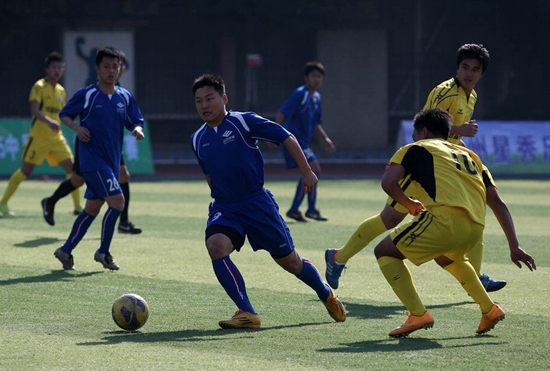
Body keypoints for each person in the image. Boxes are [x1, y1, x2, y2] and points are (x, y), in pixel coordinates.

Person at [325, 43, 506, 292]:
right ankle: (337, 258)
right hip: (426, 167)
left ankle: (476, 274)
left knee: (474, 209)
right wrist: (459, 130)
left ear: (481, 74)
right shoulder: (445, 92)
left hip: (446, 168)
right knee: (388, 219)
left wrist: (458, 141)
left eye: (475, 69)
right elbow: (426, 126)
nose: (469, 73)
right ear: (457, 67)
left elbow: (446, 135)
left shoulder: (471, 95)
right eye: (465, 67)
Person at [190, 74, 345, 329]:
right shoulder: (197, 138)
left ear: (224, 99)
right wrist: (219, 199)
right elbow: (208, 173)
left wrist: (306, 170)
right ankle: (247, 313)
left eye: (209, 99)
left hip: (257, 204)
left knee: (291, 262)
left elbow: (287, 137)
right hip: (225, 206)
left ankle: (326, 293)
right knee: (216, 246)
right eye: (198, 101)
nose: (204, 105)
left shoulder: (243, 121)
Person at [372, 108, 536, 337]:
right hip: (475, 227)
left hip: (446, 221)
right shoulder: (471, 157)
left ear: (424, 131)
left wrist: (408, 204)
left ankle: (418, 314)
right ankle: (489, 309)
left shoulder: (415, 149)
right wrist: (514, 246)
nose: (413, 139)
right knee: (446, 257)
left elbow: (388, 182)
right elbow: (498, 203)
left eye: (414, 134)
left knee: (384, 251)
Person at [53, 47, 144, 271]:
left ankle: (65, 250)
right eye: (107, 66)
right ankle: (103, 252)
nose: (111, 71)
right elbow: (64, 113)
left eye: (116, 66)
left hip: (112, 162)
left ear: (120, 68)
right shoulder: (88, 94)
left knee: (92, 209)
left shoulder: (124, 96)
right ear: (97, 68)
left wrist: (137, 129)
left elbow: (135, 119)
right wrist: (76, 127)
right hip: (93, 161)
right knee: (118, 202)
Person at [0, 51, 81, 217]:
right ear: (47, 70)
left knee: (72, 167)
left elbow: (61, 114)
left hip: (56, 139)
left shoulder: (61, 90)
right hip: (39, 137)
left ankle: (78, 207)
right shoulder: (39, 87)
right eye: (54, 67)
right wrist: (50, 122)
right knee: (26, 170)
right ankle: (3, 203)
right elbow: (35, 111)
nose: (57, 70)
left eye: (60, 67)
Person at [275, 61, 336, 222]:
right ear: (306, 78)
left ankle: (299, 209)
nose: (316, 79)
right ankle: (307, 209)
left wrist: (326, 139)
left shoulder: (316, 97)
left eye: (319, 76)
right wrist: (274, 134)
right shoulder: (300, 93)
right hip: (294, 141)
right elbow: (282, 112)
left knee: (310, 172)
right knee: (314, 169)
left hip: (303, 143)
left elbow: (316, 122)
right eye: (313, 76)